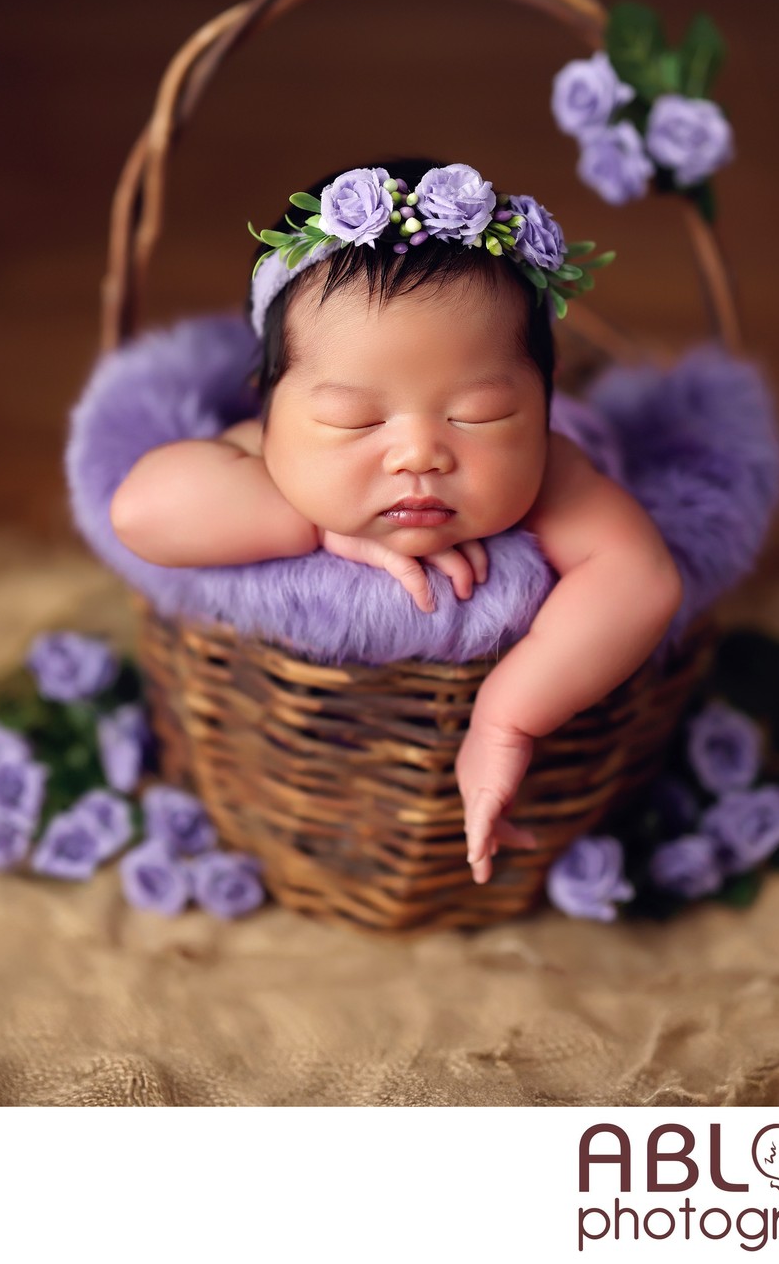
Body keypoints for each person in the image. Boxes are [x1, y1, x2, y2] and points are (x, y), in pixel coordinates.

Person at [110, 159, 683, 885]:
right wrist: (318, 525)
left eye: (479, 413)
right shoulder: (260, 455)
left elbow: (641, 577)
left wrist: (507, 714)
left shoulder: (553, 469)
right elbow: (138, 509)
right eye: (354, 418)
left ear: (544, 398)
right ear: (268, 404)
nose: (419, 452)